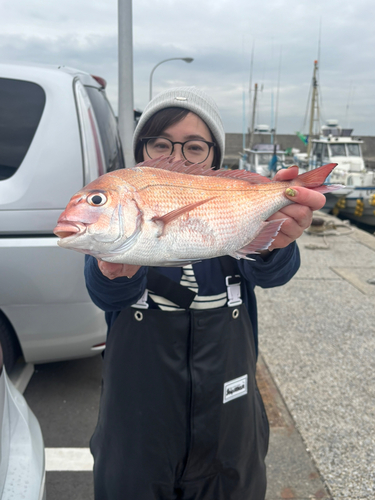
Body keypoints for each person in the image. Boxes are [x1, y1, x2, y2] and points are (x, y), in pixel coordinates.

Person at [85, 87, 326, 500]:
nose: (176, 159)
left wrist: (278, 243)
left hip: (230, 435)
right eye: (160, 144)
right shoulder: (125, 221)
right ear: (142, 151)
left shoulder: (232, 216)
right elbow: (105, 293)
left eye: (194, 147)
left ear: (215, 157)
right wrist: (114, 273)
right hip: (135, 435)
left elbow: (274, 273)